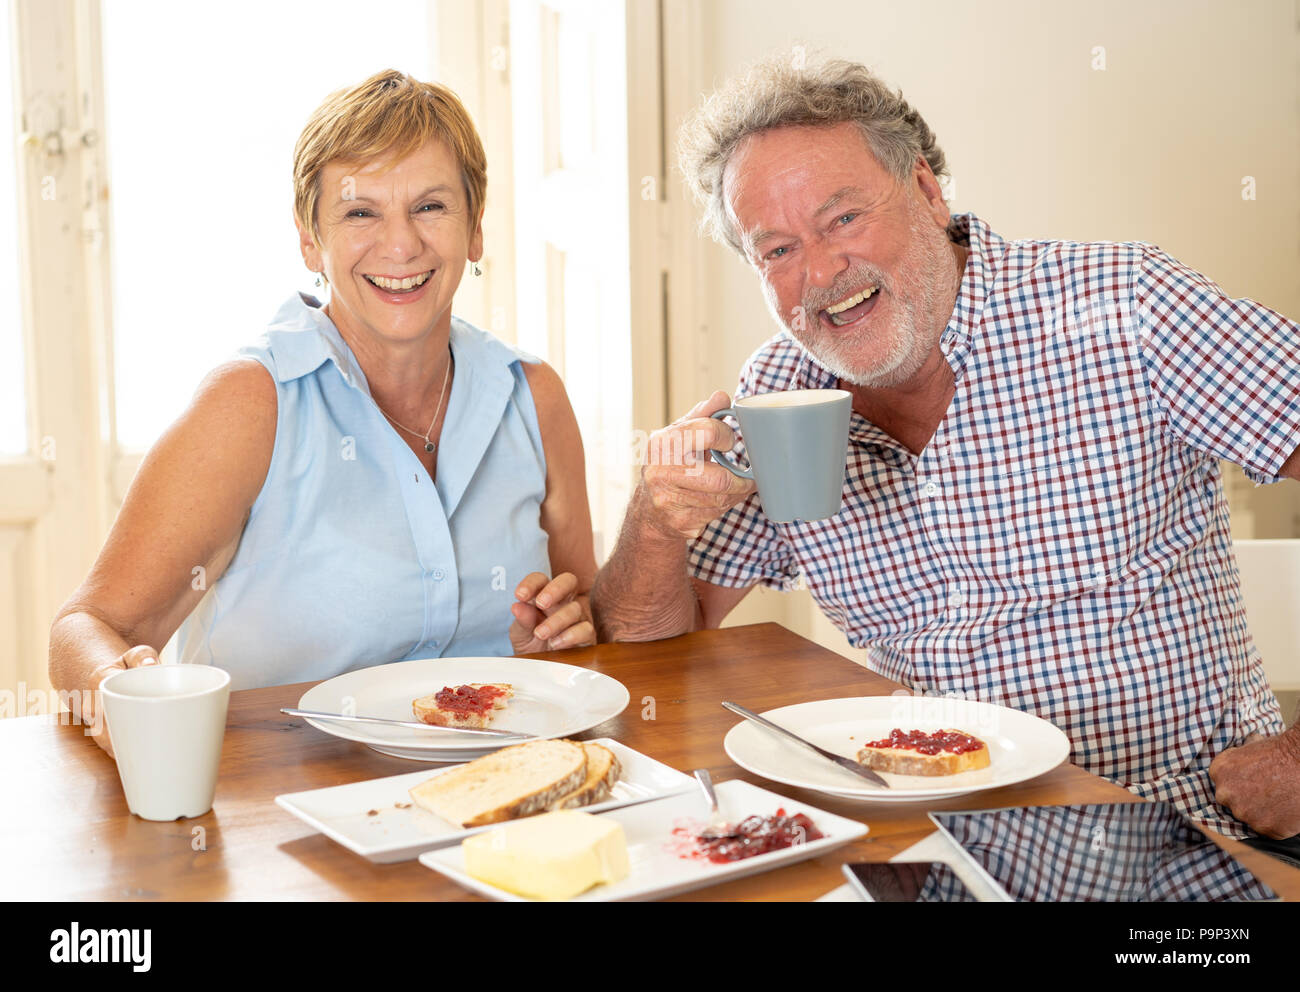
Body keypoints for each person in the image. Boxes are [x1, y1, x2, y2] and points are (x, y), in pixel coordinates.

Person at [590, 56, 1300, 849]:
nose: (820, 272)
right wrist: (655, 518)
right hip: (932, 837)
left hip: (1179, 831)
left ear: (928, 192)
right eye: (778, 251)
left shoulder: (1122, 308)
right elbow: (654, 659)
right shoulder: (779, 391)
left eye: (843, 219)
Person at [50, 70, 597, 756]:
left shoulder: (534, 397)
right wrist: (114, 686)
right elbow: (87, 623)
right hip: (281, 824)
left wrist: (559, 636)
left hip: (501, 800)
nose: (400, 246)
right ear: (311, 240)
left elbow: (586, 629)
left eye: (430, 206)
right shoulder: (250, 404)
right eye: (360, 212)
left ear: (476, 227)